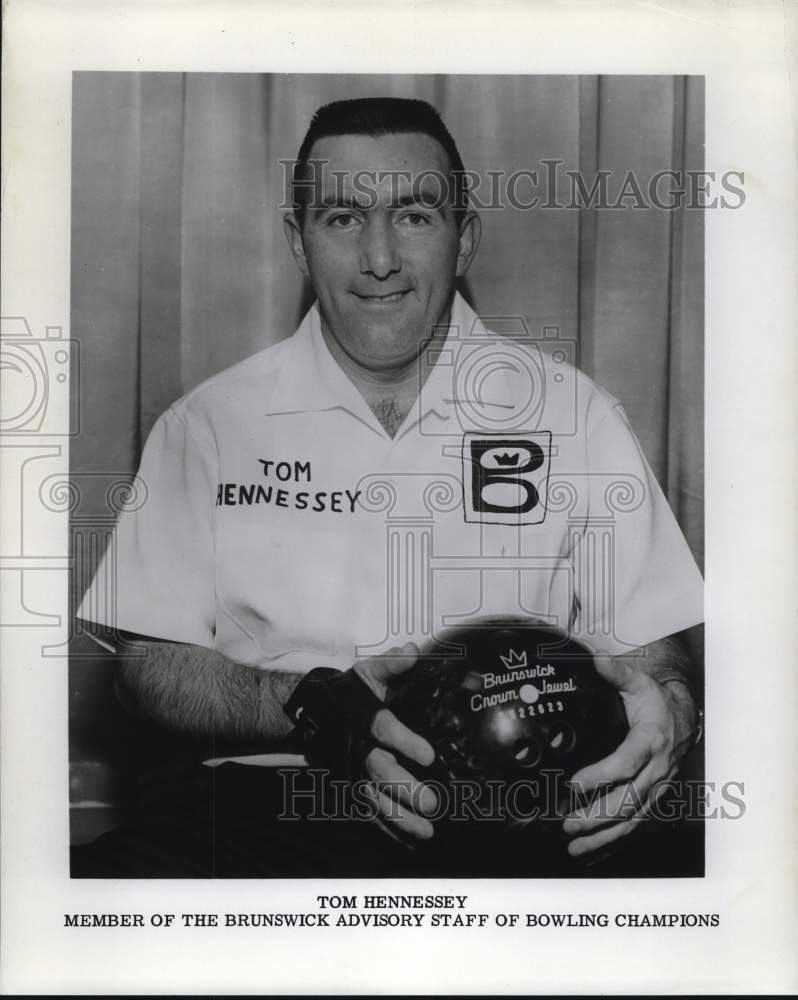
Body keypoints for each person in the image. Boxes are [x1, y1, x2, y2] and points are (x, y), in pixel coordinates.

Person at [73, 97, 704, 877]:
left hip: (526, 822)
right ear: (297, 243)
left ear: (463, 238)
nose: (379, 258)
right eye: (341, 218)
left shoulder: (574, 415)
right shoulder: (206, 424)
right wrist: (320, 706)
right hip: (260, 813)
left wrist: (669, 710)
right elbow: (151, 668)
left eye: (412, 216)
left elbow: (653, 652)